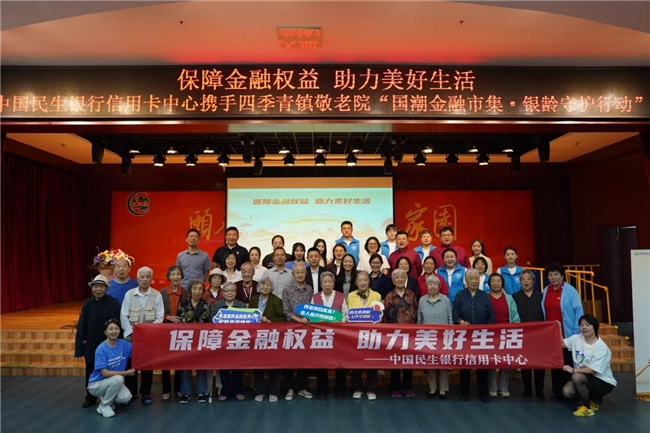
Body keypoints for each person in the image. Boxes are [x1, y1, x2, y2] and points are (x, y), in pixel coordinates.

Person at [75, 275, 121, 408]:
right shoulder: (87, 304)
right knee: (91, 370)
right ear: (92, 288)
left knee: (109, 370)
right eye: (96, 286)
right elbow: (82, 326)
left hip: (109, 344)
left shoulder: (114, 303)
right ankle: (90, 397)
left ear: (106, 288)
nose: (98, 289)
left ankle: (109, 397)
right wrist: (80, 348)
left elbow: (118, 324)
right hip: (91, 344)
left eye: (101, 287)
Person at [120, 266, 164, 405]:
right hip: (131, 338)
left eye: (147, 277)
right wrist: (132, 332)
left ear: (151, 279)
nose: (145, 280)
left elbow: (159, 317)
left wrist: (147, 333)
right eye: (142, 277)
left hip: (149, 338)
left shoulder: (157, 295)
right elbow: (124, 316)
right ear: (137, 279)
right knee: (131, 365)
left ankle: (146, 393)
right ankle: (131, 392)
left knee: (147, 366)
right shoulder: (129, 294)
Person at [541, 262, 584, 401]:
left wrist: (576, 332)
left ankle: (570, 392)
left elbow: (578, 311)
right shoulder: (545, 290)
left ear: (562, 276)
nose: (553, 277)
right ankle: (557, 391)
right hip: (552, 336)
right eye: (550, 275)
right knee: (555, 363)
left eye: (556, 274)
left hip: (568, 334)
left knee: (568, 363)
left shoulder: (570, 291)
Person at [560, 315, 617, 417]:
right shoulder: (576, 338)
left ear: (594, 327)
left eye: (587, 325)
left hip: (603, 382)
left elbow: (592, 370)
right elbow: (561, 344)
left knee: (576, 376)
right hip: (587, 378)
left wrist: (573, 370)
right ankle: (594, 399)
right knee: (567, 391)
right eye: (581, 325)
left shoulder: (601, 347)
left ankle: (587, 408)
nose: (584, 327)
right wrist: (558, 328)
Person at [453, 269, 495, 404]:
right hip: (465, 336)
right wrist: (460, 321)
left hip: (482, 336)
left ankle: (484, 394)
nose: (474, 281)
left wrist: (488, 329)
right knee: (465, 365)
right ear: (466, 281)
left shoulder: (485, 296)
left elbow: (491, 316)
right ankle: (464, 393)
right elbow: (455, 313)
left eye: (476, 278)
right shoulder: (460, 295)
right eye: (471, 279)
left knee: (482, 365)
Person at [87, 319, 135, 418]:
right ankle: (104, 405)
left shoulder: (123, 344)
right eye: (111, 329)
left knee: (126, 397)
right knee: (119, 378)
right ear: (105, 332)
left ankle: (106, 398)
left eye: (116, 328)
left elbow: (139, 348)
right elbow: (105, 373)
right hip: (96, 384)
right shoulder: (101, 349)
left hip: (112, 382)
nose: (114, 331)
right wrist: (126, 373)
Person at [312, 271, 348, 400]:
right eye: (325, 282)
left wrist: (339, 321)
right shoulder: (315, 297)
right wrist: (317, 320)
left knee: (339, 363)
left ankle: (340, 390)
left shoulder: (341, 296)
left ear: (333, 283)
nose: (327, 284)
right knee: (321, 363)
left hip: (338, 335)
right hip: (321, 336)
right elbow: (312, 315)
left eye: (330, 282)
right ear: (321, 284)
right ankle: (322, 390)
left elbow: (345, 314)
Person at [281, 263, 314, 401]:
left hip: (307, 329)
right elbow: (286, 311)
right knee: (289, 359)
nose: (300, 274)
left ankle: (301, 387)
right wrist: (299, 320)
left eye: (302, 272)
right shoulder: (287, 290)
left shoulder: (309, 289)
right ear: (293, 275)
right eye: (297, 272)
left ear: (305, 274)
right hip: (291, 328)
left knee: (304, 359)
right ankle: (289, 388)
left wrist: (307, 320)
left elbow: (313, 308)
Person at [249, 277, 285, 402]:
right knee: (258, 365)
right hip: (256, 338)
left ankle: (274, 392)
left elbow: (282, 318)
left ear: (271, 287)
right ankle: (260, 392)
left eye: (268, 285)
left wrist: (269, 321)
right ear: (258, 287)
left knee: (273, 365)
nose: (265, 287)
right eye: (263, 284)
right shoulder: (253, 300)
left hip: (272, 337)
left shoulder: (276, 300)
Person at [384, 268, 418, 398]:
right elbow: (385, 316)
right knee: (395, 361)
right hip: (394, 334)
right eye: (397, 277)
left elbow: (416, 312)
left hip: (410, 333)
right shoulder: (389, 296)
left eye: (402, 277)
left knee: (409, 360)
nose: (400, 280)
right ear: (393, 280)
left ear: (405, 280)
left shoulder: (411, 295)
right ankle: (395, 388)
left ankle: (407, 387)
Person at [418, 276, 453, 400]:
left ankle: (443, 389)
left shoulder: (446, 300)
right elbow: (419, 320)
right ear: (426, 286)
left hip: (443, 338)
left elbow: (450, 318)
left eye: (435, 284)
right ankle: (432, 388)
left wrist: (451, 335)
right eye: (430, 284)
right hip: (427, 338)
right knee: (430, 364)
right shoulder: (422, 300)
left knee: (443, 364)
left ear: (439, 286)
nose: (432, 287)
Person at [210, 282, 246, 401]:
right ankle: (225, 391)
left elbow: (247, 324)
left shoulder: (241, 305)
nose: (230, 293)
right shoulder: (217, 305)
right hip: (222, 341)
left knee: (238, 368)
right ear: (223, 293)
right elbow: (212, 322)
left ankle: (237, 390)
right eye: (227, 291)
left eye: (232, 290)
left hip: (238, 341)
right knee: (223, 368)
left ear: (236, 292)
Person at [177, 279, 212, 404]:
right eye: (195, 289)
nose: (197, 291)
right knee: (185, 367)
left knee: (201, 367)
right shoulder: (183, 303)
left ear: (203, 291)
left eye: (200, 289)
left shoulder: (206, 305)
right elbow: (179, 320)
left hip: (201, 339)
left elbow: (208, 322)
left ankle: (201, 392)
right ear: (190, 291)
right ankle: (185, 393)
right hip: (186, 339)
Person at [486, 274, 521, 398]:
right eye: (493, 281)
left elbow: (515, 316)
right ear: (489, 283)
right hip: (489, 334)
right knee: (490, 360)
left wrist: (516, 327)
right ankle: (492, 387)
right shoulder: (485, 297)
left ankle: (503, 387)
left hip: (507, 333)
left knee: (505, 360)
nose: (496, 283)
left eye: (498, 281)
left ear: (502, 283)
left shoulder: (509, 298)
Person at [348, 271, 381, 400]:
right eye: (360, 280)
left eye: (365, 280)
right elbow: (348, 313)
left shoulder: (377, 295)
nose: (362, 282)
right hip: (355, 334)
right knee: (355, 361)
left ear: (369, 281)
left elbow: (379, 313)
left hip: (372, 333)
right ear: (356, 283)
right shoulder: (351, 296)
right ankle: (357, 388)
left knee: (372, 361)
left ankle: (371, 389)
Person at [513, 270, 546, 399]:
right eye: (523, 279)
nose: (526, 281)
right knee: (525, 362)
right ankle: (527, 389)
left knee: (539, 363)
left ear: (533, 281)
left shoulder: (540, 296)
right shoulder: (515, 297)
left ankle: (540, 390)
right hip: (523, 335)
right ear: (520, 281)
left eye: (529, 279)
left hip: (539, 335)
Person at [159, 265, 188, 400]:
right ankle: (166, 390)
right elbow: (157, 312)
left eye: (178, 274)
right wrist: (168, 317)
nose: (176, 277)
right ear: (168, 277)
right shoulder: (162, 293)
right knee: (165, 361)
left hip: (181, 331)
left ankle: (178, 389)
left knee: (179, 361)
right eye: (173, 274)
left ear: (181, 276)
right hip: (165, 330)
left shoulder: (186, 292)